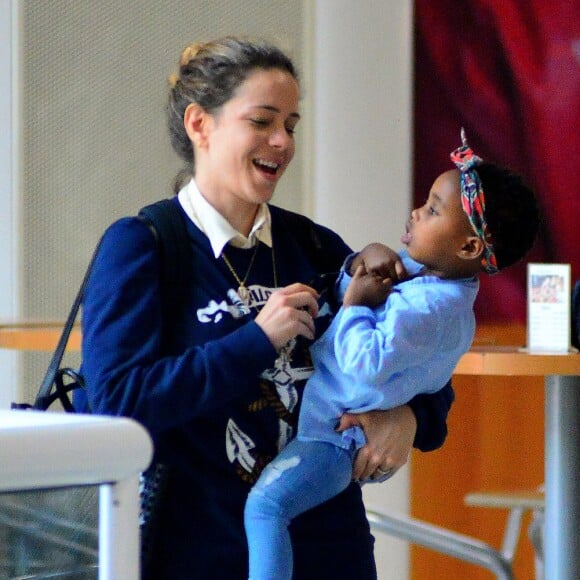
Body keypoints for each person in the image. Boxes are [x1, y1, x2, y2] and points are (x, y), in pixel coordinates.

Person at [76, 36, 456, 579]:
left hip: (330, 553)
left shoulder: (316, 247)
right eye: (262, 121)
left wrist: (411, 417)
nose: (281, 141)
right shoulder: (143, 246)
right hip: (198, 555)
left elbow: (424, 349)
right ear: (199, 125)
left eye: (292, 125)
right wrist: (256, 340)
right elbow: (116, 404)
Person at [244, 129, 540, 580]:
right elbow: (355, 283)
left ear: (467, 247)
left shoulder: (433, 309)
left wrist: (358, 302)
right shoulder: (429, 279)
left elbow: (365, 360)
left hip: (333, 439)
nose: (417, 213)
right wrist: (364, 259)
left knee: (266, 507)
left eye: (433, 210)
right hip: (328, 427)